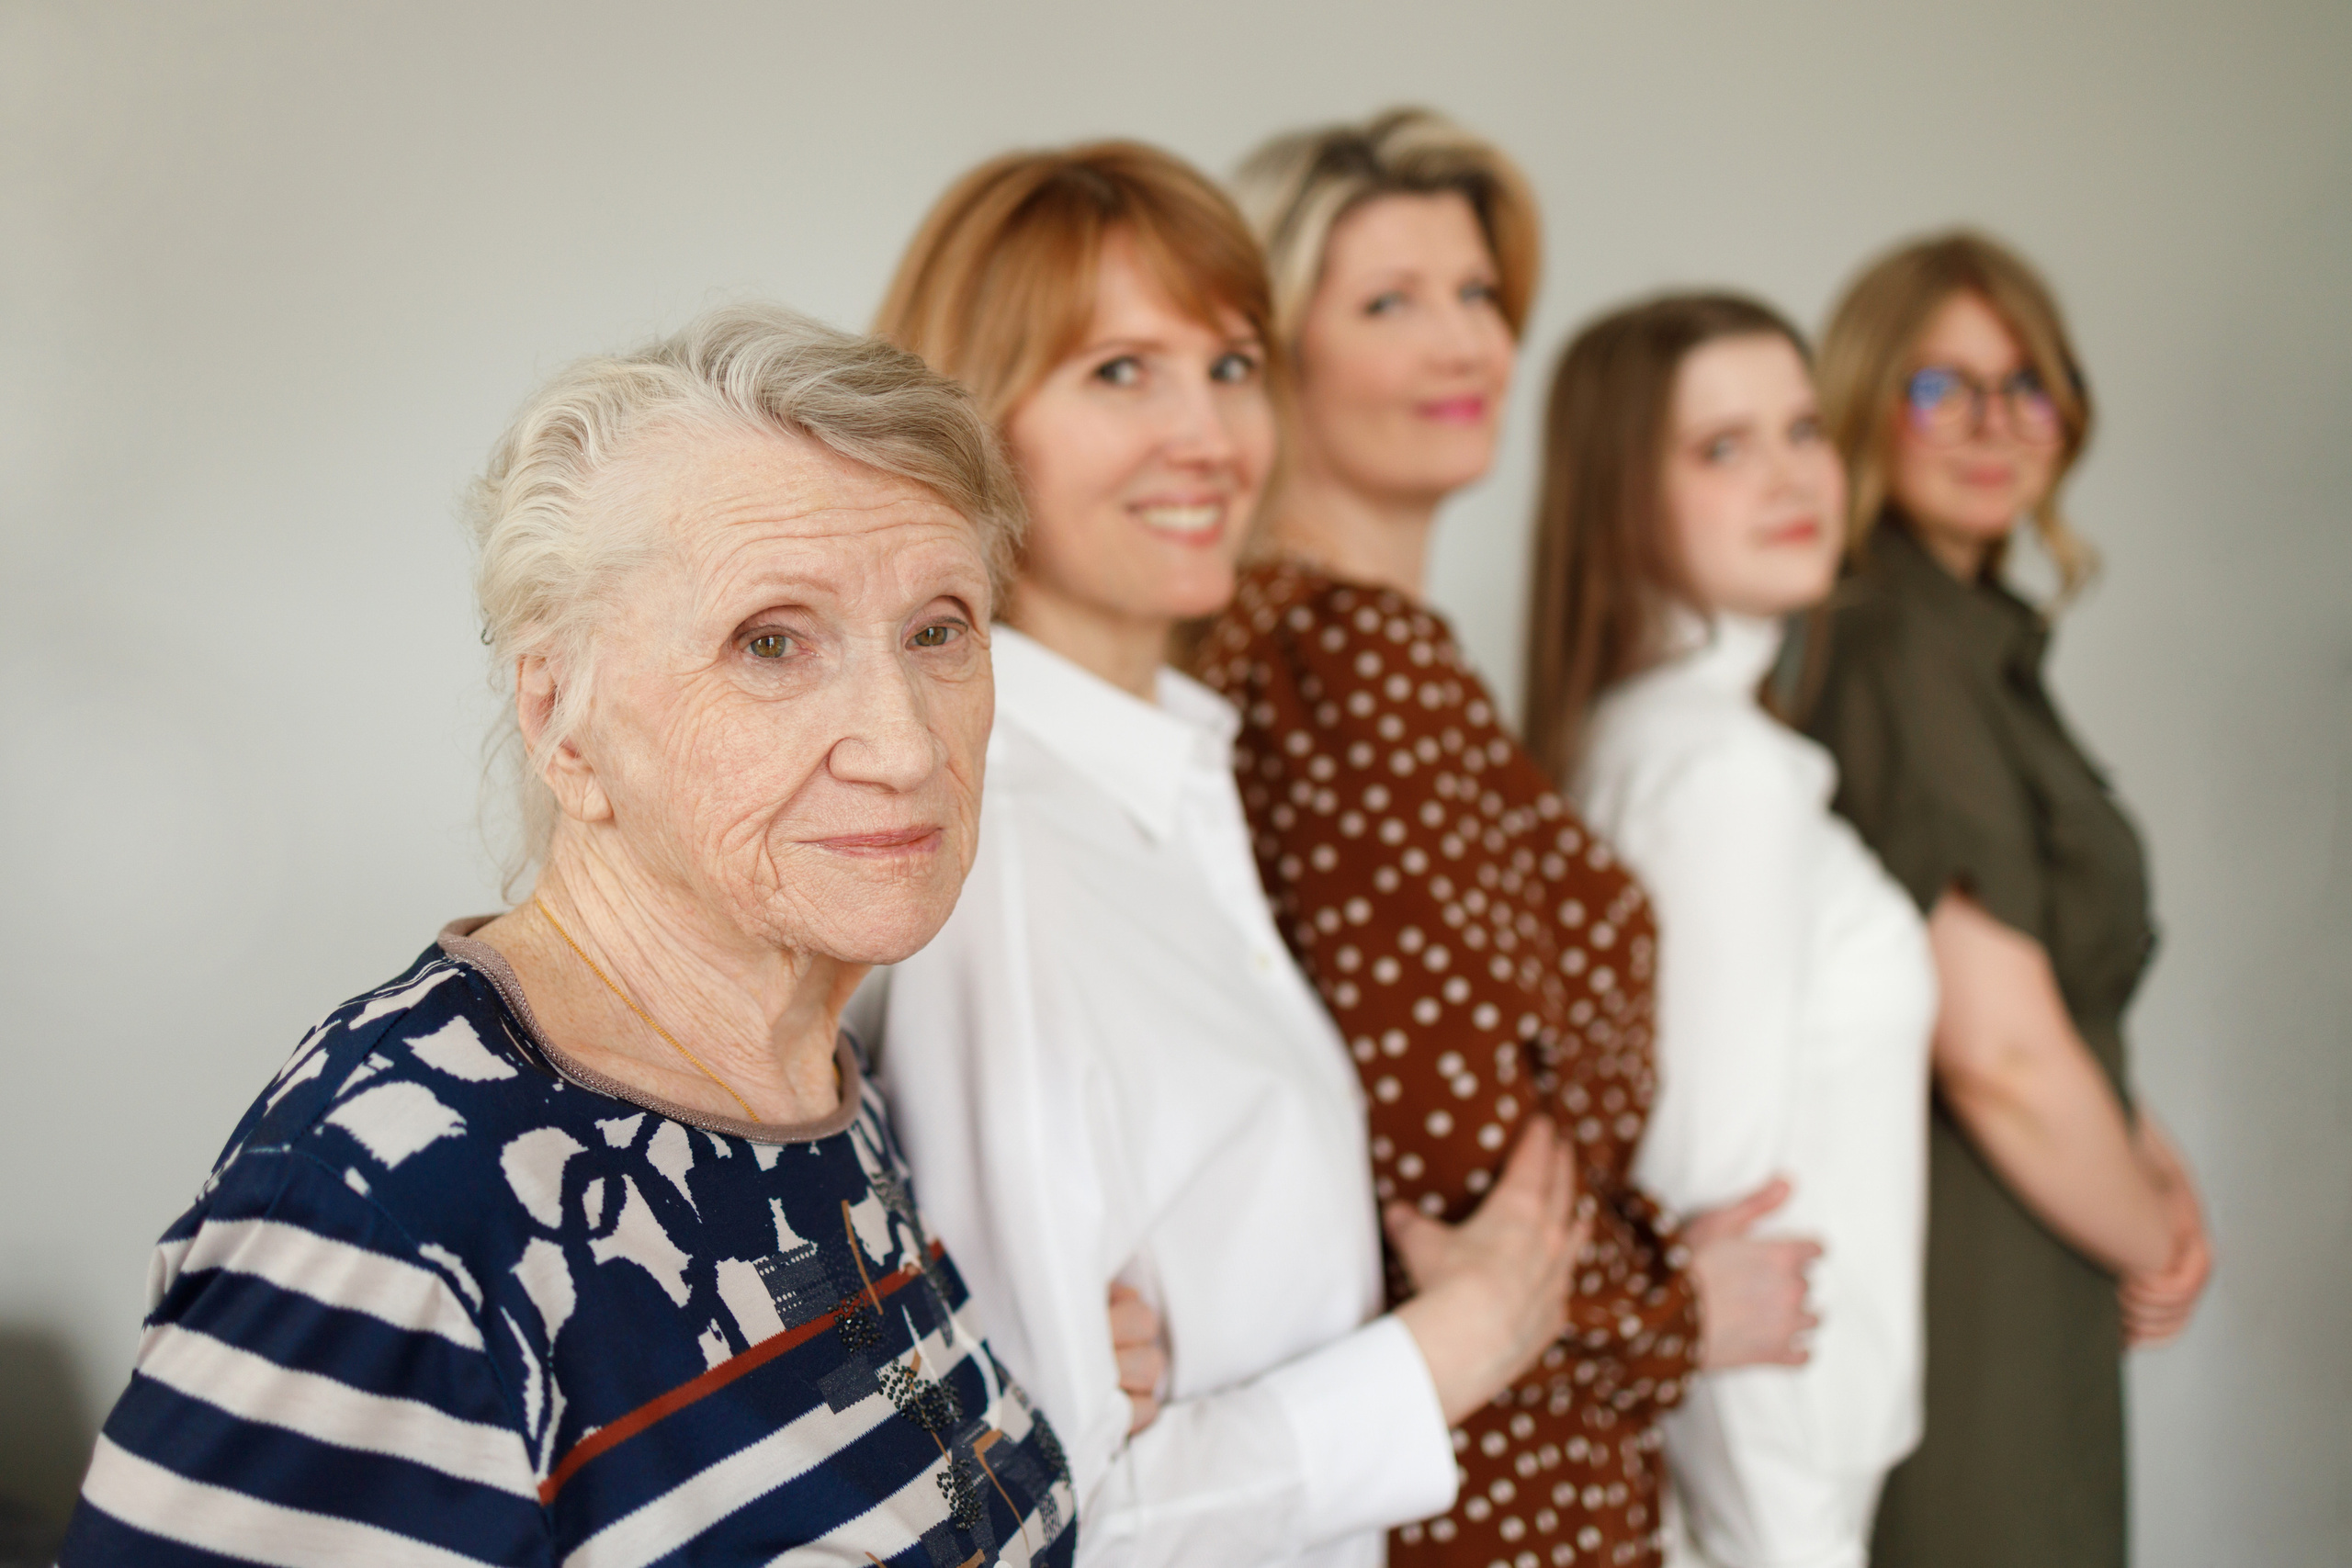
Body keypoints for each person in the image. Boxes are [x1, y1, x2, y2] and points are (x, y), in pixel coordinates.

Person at [59, 306, 1082, 1564]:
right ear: (562, 724)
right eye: (771, 642)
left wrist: (1021, 1416)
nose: (907, 744)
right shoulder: (391, 1202)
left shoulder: (812, 1079)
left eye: (939, 629)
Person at [863, 141, 1588, 1568]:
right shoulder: (996, 857)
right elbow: (1035, 1513)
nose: (1207, 434)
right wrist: (1452, 1347)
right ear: (975, 425)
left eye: (1234, 365)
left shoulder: (1185, 784)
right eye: (1121, 370)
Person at [1195, 110, 1815, 1568]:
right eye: (1389, 303)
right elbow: (1450, 1161)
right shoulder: (1355, 658)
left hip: (1475, 1439)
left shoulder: (1317, 644)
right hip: (1492, 1462)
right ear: (1271, 352)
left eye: (1477, 294)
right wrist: (1676, 1310)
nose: (1464, 342)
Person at [1804, 231, 2213, 1567]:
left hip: (2039, 1244)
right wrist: (2158, 1235)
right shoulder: (1891, 640)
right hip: (1965, 1269)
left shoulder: (1983, 644)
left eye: (2026, 383)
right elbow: (2000, 1052)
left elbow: (2053, 992)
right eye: (1942, 387)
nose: (1995, 423)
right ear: (1864, 403)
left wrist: (2149, 1157)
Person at [1524, 292, 1936, 1568]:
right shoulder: (1720, 774)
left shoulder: (1651, 738)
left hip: (1778, 1456)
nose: (1793, 475)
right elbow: (1717, 1213)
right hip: (1776, 1466)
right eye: (1723, 447)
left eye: (1803, 429)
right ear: (1620, 495)